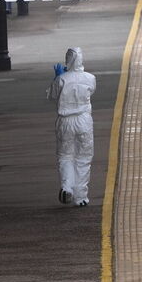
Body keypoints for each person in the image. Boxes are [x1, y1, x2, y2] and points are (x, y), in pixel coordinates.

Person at [47, 47, 96, 207]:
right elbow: (91, 91)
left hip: (65, 121)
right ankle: (81, 197)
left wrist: (58, 77)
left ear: (67, 60)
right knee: (83, 158)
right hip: (83, 120)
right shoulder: (90, 78)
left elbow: (52, 96)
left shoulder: (61, 79)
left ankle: (67, 187)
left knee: (65, 156)